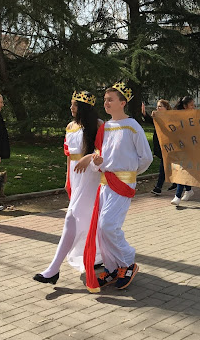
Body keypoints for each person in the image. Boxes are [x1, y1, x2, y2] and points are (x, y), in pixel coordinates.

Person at [83, 83, 153, 292]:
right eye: (105, 99)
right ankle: (113, 268)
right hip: (105, 182)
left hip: (122, 183)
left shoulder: (132, 126)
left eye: (110, 99)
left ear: (122, 103)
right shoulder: (105, 127)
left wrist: (130, 174)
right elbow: (99, 154)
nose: (106, 103)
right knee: (101, 229)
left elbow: (146, 158)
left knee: (108, 225)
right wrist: (97, 162)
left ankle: (128, 263)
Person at [34, 91, 102, 285]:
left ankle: (53, 269)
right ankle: (97, 255)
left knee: (72, 217)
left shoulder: (98, 125)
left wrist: (88, 157)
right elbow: (68, 156)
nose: (71, 108)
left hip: (91, 176)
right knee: (84, 219)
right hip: (75, 175)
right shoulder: (70, 126)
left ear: (83, 107)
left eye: (74, 104)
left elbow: (104, 150)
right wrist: (67, 179)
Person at [171, 96, 197, 205]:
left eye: (194, 105)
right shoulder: (177, 115)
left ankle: (177, 196)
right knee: (183, 169)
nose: (193, 107)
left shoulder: (195, 115)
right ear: (185, 106)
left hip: (190, 147)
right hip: (179, 146)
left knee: (182, 169)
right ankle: (189, 190)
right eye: (191, 105)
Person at [142, 99, 171, 195]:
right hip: (159, 145)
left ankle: (158, 187)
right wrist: (144, 113)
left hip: (168, 146)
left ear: (166, 108)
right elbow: (151, 121)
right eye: (157, 106)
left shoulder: (170, 117)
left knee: (163, 165)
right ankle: (179, 184)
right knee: (170, 166)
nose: (157, 108)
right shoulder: (157, 118)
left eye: (160, 106)